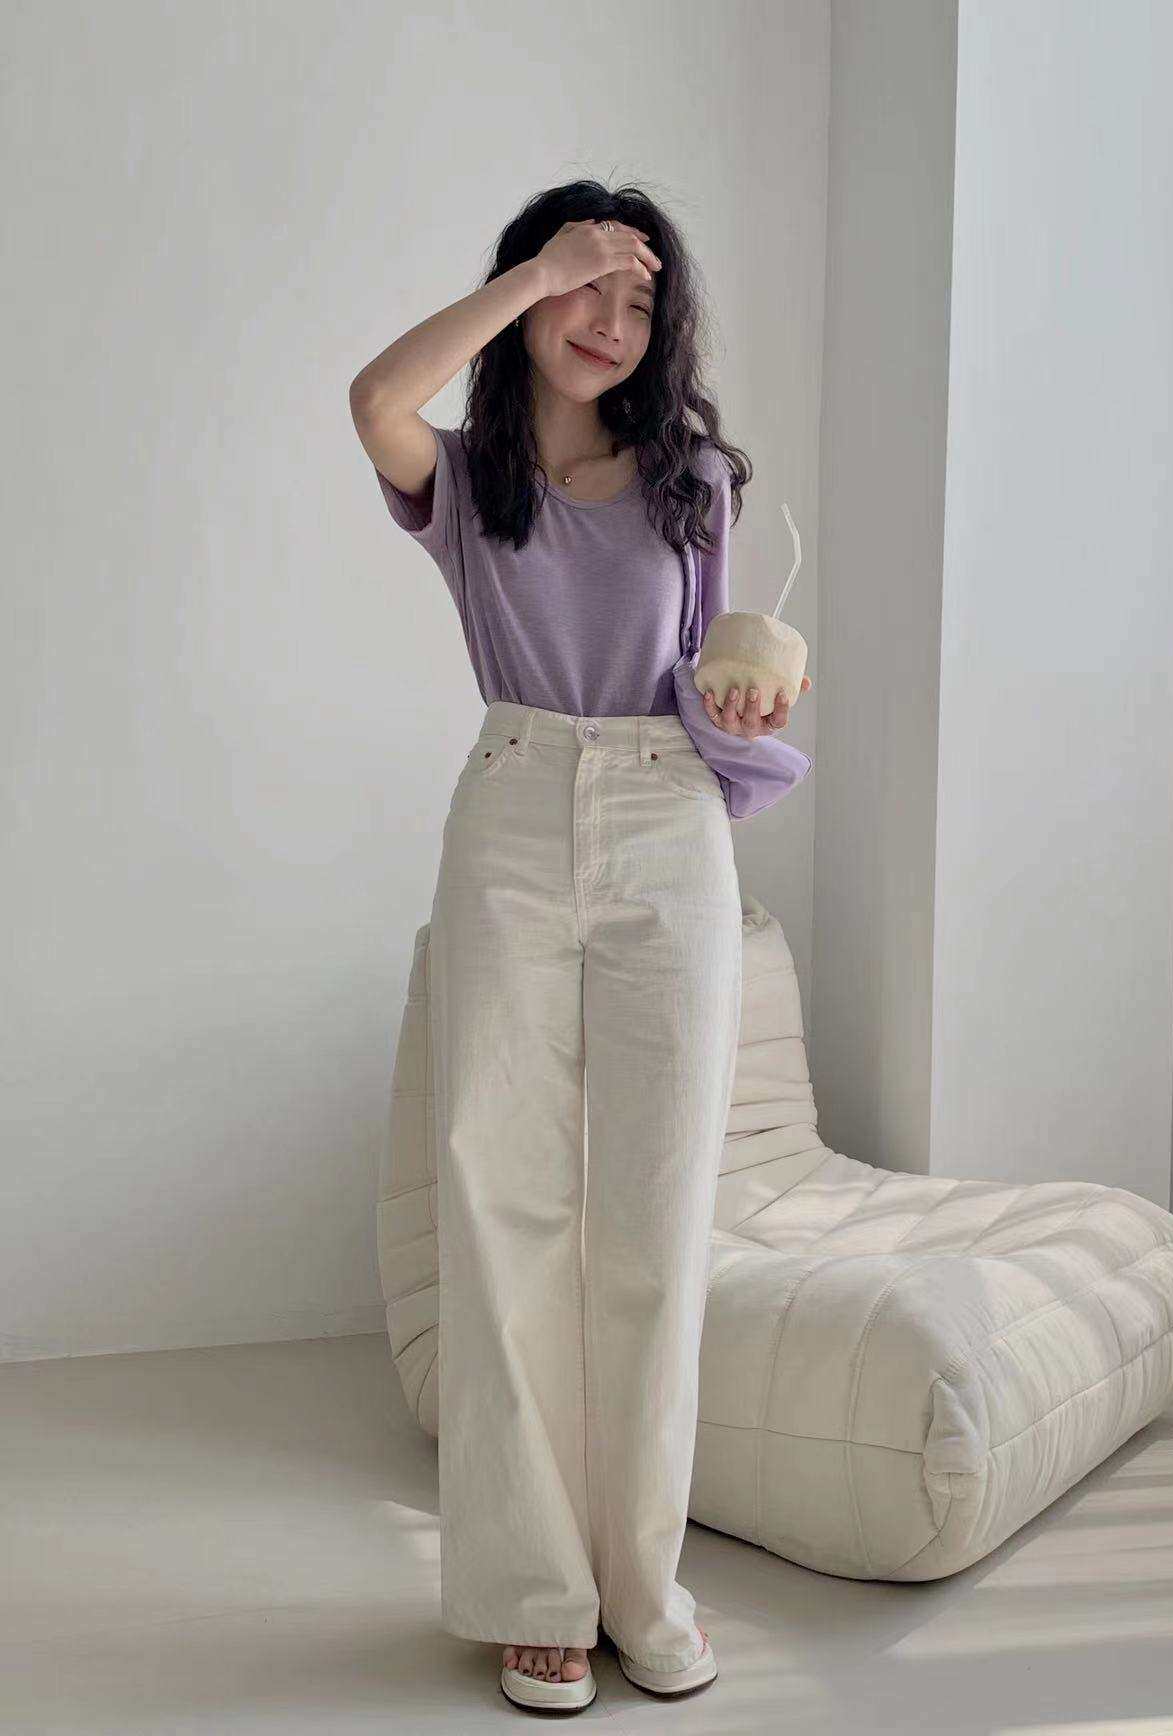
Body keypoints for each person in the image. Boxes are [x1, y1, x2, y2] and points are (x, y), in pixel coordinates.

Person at [349, 181, 810, 1714]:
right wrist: (533, 270)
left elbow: (714, 674)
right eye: (583, 287)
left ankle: (640, 1584)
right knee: (503, 1203)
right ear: (532, 291)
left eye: (637, 300)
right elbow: (373, 399)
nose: (610, 322)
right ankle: (533, 1589)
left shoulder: (695, 484)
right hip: (513, 807)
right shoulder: (469, 480)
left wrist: (748, 703)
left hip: (670, 820)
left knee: (658, 1215)